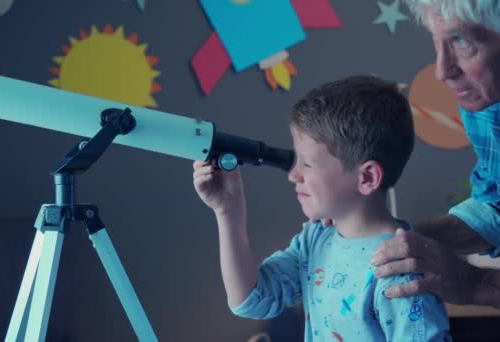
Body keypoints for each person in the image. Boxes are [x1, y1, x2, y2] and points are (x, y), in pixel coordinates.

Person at [193, 76, 451, 341]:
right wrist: (228, 212)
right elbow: (250, 300)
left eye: (307, 164)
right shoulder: (316, 239)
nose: (293, 174)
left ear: (367, 178)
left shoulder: (401, 269)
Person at [365, 0, 500, 315]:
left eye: (462, 43)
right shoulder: (488, 102)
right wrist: (395, 239)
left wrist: (474, 284)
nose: (441, 71)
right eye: (437, 43)